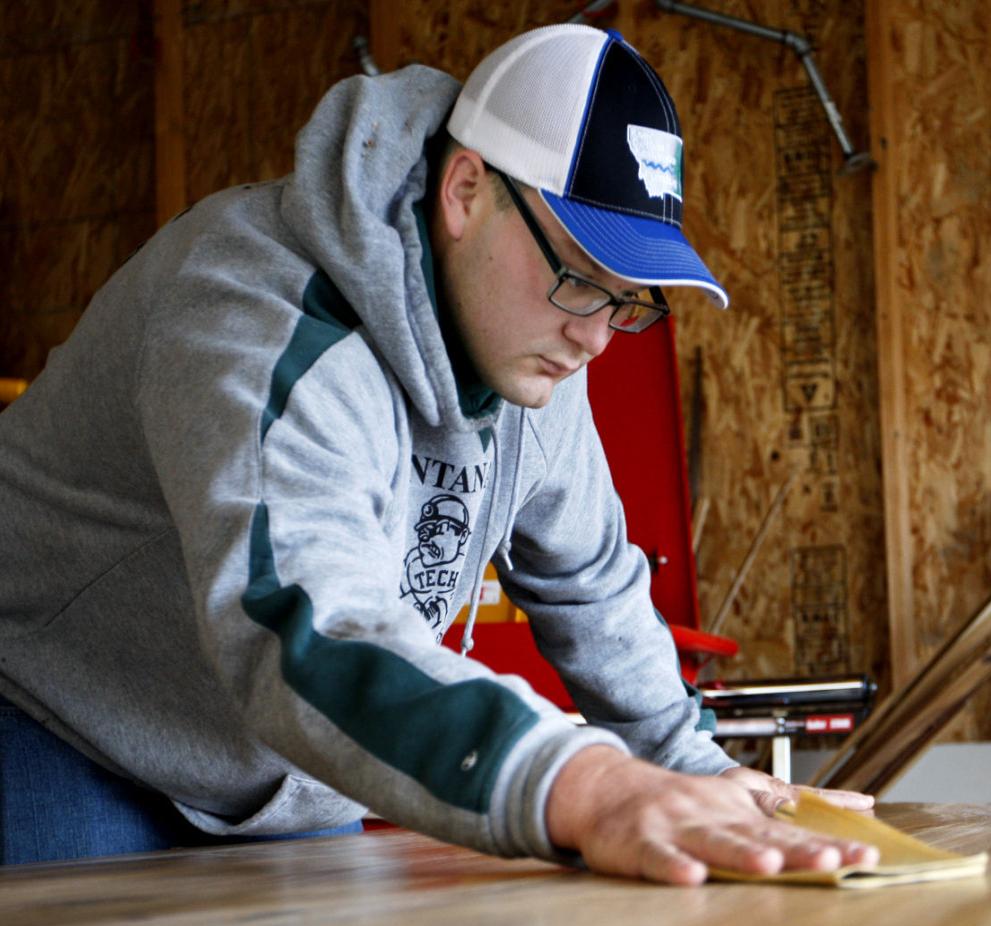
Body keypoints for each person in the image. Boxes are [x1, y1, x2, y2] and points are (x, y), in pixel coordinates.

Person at [0, 24, 877, 881]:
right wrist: (588, 783)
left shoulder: (536, 352)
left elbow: (590, 581)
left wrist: (697, 769)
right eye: (577, 274)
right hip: (67, 732)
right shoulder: (255, 314)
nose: (596, 339)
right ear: (464, 191)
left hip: (283, 773)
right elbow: (302, 622)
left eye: (626, 299)